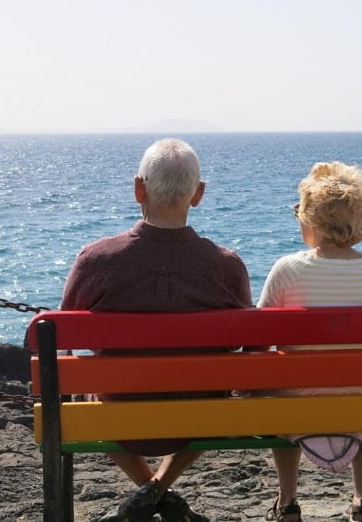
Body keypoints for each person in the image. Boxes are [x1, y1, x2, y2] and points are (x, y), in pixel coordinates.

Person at [61, 138, 252, 522]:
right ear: (198, 195)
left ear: (138, 189)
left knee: (82, 387)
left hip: (117, 419)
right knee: (220, 386)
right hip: (202, 419)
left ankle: (150, 493)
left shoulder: (96, 260)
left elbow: (67, 339)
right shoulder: (227, 267)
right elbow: (247, 345)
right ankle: (160, 492)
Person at [257, 162, 362, 522]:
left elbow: (258, 340)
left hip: (299, 406)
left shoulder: (287, 269)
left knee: (276, 387)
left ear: (312, 219)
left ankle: (288, 501)